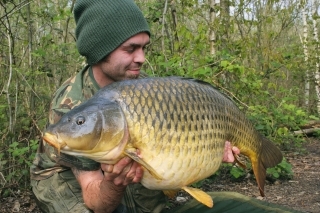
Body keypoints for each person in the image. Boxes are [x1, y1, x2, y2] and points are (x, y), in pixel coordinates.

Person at [31, 1, 301, 213]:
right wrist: (114, 182)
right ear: (100, 49)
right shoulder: (72, 107)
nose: (142, 58)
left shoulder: (143, 91)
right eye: (130, 49)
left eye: (144, 48)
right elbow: (96, 201)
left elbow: (176, 157)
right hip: (88, 200)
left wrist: (206, 151)